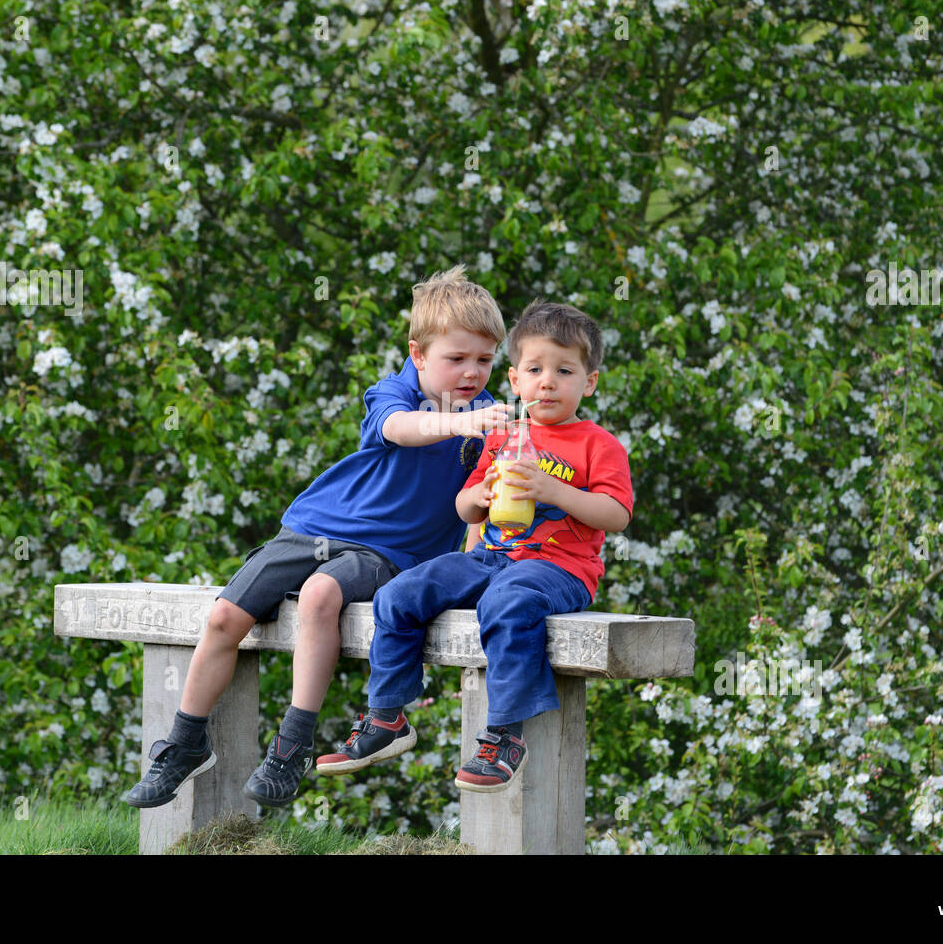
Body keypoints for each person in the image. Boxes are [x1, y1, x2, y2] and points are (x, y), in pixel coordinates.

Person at [123, 264, 511, 809]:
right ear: (418, 354)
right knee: (223, 617)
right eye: (456, 359)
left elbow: (479, 510)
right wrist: (461, 422)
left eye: (484, 360)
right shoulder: (396, 393)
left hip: (391, 554)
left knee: (319, 595)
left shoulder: (489, 420)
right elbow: (401, 430)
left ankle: (292, 744)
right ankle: (186, 742)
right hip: (313, 527)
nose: (471, 373)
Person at [318, 298, 634, 792]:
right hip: (489, 556)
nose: (547, 381)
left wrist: (556, 492)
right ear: (515, 380)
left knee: (506, 603)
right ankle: (387, 717)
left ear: (589, 382)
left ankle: (505, 734)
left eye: (564, 370)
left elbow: (616, 515)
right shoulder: (505, 435)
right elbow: (466, 508)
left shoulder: (598, 444)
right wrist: (477, 495)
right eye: (535, 369)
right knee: (400, 594)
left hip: (558, 568)